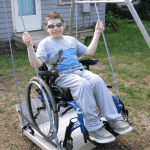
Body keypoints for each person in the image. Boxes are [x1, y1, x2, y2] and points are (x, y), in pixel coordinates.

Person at [22, 11, 132, 144]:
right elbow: (37, 64)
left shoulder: (71, 40)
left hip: (79, 70)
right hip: (61, 76)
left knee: (97, 80)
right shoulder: (45, 44)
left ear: (63, 25)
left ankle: (114, 119)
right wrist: (29, 46)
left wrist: (97, 33)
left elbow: (89, 52)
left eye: (58, 25)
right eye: (51, 26)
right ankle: (94, 128)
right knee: (82, 84)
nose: (55, 28)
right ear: (47, 29)